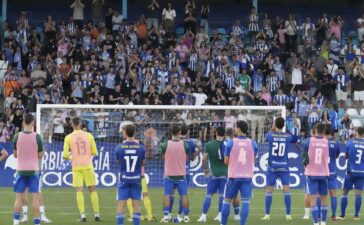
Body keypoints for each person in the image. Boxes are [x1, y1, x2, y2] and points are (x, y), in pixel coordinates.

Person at [63, 117, 101, 222]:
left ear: (72, 124)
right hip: (88, 165)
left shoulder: (68, 137)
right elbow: (95, 152)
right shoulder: (89, 135)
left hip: (77, 167)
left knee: (79, 190)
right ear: (81, 124)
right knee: (92, 190)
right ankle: (97, 215)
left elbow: (65, 155)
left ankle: (83, 216)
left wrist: (72, 157)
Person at [221, 121, 258, 225]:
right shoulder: (253, 143)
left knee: (227, 201)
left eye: (235, 127)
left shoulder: (231, 142)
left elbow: (225, 161)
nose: (234, 129)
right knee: (245, 202)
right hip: (246, 177)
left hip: (233, 176)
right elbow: (254, 161)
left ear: (239, 129)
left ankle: (223, 223)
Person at [12, 114, 44, 225]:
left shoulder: (17, 136)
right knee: (35, 199)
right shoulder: (37, 136)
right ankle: (37, 223)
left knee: (18, 198)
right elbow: (40, 155)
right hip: (33, 171)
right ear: (33, 123)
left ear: (23, 122)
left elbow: (15, 155)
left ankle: (15, 223)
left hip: (21, 171)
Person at [261, 117, 294, 221]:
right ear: (284, 125)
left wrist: (272, 128)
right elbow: (293, 138)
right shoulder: (288, 137)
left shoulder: (270, 135)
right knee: (287, 190)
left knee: (269, 190)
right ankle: (288, 215)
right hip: (284, 166)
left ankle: (267, 215)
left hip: (272, 167)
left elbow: (265, 138)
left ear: (275, 125)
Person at [115, 123, 146, 225]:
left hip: (124, 179)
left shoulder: (119, 148)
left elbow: (119, 162)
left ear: (125, 133)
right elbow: (142, 163)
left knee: (121, 206)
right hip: (136, 179)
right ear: (135, 133)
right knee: (136, 206)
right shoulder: (141, 148)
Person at [159, 124, 190, 223]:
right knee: (184, 195)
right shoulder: (185, 145)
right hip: (181, 175)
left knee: (167, 195)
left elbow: (162, 157)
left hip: (169, 175)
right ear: (179, 132)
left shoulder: (165, 144)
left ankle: (166, 216)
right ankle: (186, 216)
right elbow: (187, 157)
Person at [197, 126, 227, 222]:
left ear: (216, 133)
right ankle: (220, 215)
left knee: (209, 195)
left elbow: (204, 159)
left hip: (213, 174)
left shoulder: (209, 144)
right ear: (224, 134)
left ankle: (203, 216)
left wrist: (205, 169)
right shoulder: (228, 144)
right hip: (224, 174)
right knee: (222, 195)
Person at [303, 123, 330, 225]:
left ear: (315, 130)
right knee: (324, 198)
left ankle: (315, 223)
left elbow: (304, 152)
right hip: (323, 173)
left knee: (313, 199)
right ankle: (323, 222)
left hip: (312, 173)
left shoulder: (309, 140)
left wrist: (305, 162)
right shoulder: (327, 141)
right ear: (324, 131)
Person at [169, 124, 197, 221]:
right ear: (187, 132)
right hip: (185, 171)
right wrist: (198, 151)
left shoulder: (173, 142)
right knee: (183, 194)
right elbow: (192, 158)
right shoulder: (190, 143)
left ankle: (167, 214)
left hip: (172, 170)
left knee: (170, 194)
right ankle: (181, 215)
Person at [338, 126, 364, 221]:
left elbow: (345, 157)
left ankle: (342, 215)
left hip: (350, 172)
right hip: (361, 172)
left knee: (344, 193)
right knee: (358, 194)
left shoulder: (350, 142)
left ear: (356, 132)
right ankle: (356, 216)